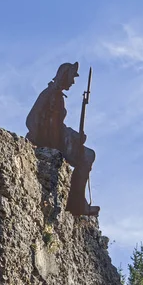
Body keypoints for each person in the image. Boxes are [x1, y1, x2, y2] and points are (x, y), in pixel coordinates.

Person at [26, 62, 100, 216]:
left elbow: (58, 125)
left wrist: (75, 136)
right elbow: (32, 120)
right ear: (65, 76)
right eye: (72, 78)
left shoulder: (57, 95)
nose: (73, 82)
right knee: (86, 156)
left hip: (58, 139)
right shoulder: (49, 94)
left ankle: (78, 202)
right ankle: (78, 204)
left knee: (88, 155)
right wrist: (42, 139)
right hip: (51, 142)